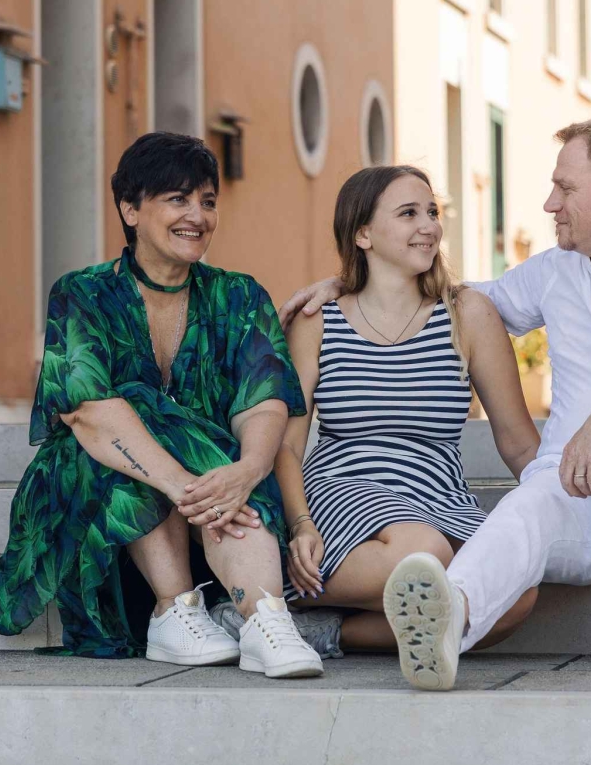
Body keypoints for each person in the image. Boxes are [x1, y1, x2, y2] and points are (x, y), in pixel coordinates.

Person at [281, 116, 591, 690]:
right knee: (531, 501)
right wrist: (345, 283)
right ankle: (444, 626)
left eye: (567, 188)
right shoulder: (554, 272)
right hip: (583, 497)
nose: (551, 204)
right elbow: (448, 298)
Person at [0, 132, 324, 678]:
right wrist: (185, 487)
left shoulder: (239, 297)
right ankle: (174, 609)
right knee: (135, 413)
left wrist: (247, 470)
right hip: (95, 492)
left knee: (226, 453)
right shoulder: (83, 293)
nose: (198, 215)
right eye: (178, 198)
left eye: (208, 201)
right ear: (130, 208)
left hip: (212, 494)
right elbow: (87, 412)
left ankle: (266, 619)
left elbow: (263, 403)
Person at [212, 166, 540, 656]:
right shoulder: (318, 320)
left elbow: (516, 440)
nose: (428, 225)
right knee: (424, 554)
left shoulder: (468, 313)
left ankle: (319, 632)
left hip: (438, 494)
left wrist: (557, 506)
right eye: (408, 213)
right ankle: (279, 587)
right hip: (341, 493)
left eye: (431, 211)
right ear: (362, 233)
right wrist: (298, 523)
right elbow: (288, 442)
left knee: (515, 593)